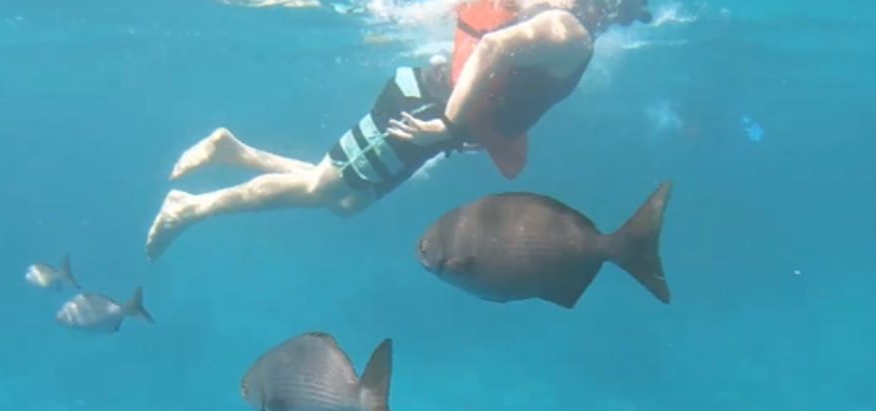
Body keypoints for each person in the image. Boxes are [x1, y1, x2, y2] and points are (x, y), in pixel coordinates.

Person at [144, 0, 653, 261]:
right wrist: (448, 125)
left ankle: (233, 151)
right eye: (630, 14)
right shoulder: (567, 32)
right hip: (423, 111)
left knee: (345, 201)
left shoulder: (564, 23)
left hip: (431, 115)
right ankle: (189, 209)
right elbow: (494, 49)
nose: (625, 23)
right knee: (320, 188)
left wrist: (449, 129)